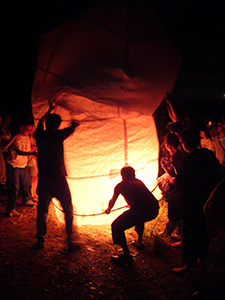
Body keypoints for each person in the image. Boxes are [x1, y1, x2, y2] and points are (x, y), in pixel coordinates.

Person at [172, 126, 223, 274]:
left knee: (190, 232)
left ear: (185, 143)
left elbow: (180, 183)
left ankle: (189, 265)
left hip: (192, 202)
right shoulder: (207, 155)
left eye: (182, 142)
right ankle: (202, 261)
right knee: (203, 231)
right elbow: (217, 174)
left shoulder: (189, 160)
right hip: (208, 199)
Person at [34, 102, 80, 251]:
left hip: (44, 179)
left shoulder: (40, 134)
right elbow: (74, 125)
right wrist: (70, 110)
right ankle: (70, 239)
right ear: (58, 125)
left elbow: (40, 122)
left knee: (42, 210)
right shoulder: (58, 135)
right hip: (58, 179)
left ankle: (41, 239)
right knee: (67, 208)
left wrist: (49, 109)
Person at [105, 166, 159, 266]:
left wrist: (108, 209)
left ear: (122, 176)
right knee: (139, 217)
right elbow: (141, 198)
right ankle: (139, 242)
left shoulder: (120, 186)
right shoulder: (139, 182)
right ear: (133, 174)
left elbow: (112, 201)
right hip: (153, 210)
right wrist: (132, 204)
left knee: (116, 226)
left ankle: (126, 254)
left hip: (140, 210)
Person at [6, 118, 36, 217]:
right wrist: (31, 153)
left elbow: (27, 149)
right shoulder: (16, 137)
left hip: (23, 165)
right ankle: (10, 209)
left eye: (30, 130)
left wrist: (33, 155)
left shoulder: (27, 137)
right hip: (14, 165)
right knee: (14, 187)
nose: (29, 132)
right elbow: (18, 151)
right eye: (27, 130)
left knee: (27, 184)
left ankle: (26, 200)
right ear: (21, 127)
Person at [27, 124, 39, 201]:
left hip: (36, 158)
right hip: (32, 159)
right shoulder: (29, 138)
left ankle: (34, 192)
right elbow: (29, 149)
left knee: (36, 177)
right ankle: (32, 193)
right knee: (33, 177)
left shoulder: (35, 137)